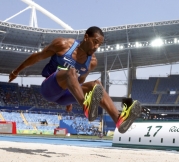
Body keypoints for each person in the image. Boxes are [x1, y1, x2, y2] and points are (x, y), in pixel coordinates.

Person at [8, 26, 142, 134]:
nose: (96, 47)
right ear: (86, 37)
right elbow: (37, 57)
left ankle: (119, 120)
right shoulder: (62, 44)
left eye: (99, 44)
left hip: (65, 96)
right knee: (71, 71)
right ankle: (86, 106)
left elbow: (81, 81)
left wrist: (71, 98)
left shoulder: (92, 62)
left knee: (97, 85)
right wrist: (16, 71)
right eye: (95, 42)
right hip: (49, 89)